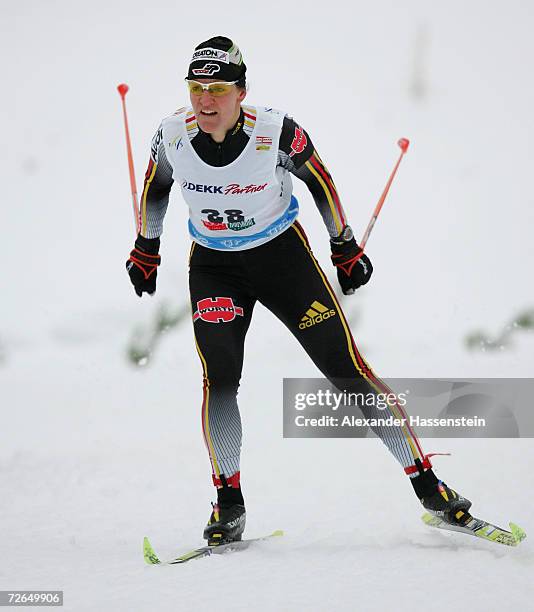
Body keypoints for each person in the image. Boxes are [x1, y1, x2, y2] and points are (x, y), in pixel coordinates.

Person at [126, 36, 471, 545]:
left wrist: (344, 245)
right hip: (217, 267)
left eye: (218, 88)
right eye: (197, 88)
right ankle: (228, 504)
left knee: (346, 370)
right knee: (220, 379)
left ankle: (430, 488)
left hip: (281, 260)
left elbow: (320, 180)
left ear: (241, 92)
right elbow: (156, 186)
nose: (205, 100)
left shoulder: (276, 132)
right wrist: (146, 246)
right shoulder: (172, 134)